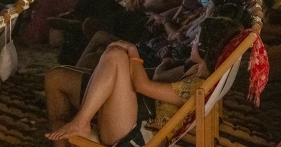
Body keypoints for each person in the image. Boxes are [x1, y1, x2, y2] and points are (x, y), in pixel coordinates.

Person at [44, 17, 244, 147]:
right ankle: (68, 135)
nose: (192, 41)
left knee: (115, 54)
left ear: (205, 48)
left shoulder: (197, 87)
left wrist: (133, 53)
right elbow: (156, 77)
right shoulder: (195, 71)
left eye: (196, 39)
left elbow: (143, 85)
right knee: (55, 77)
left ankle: (81, 122)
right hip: (136, 111)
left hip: (137, 134)